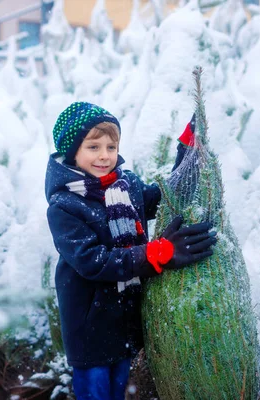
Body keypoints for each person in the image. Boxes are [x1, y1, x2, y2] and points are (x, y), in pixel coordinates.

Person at [45, 102, 215, 400]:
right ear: (73, 151)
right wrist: (156, 254)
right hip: (90, 330)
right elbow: (92, 262)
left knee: (120, 391)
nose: (104, 155)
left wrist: (187, 152)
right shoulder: (65, 206)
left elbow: (168, 198)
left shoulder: (127, 185)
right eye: (93, 146)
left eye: (112, 146)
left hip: (123, 325)